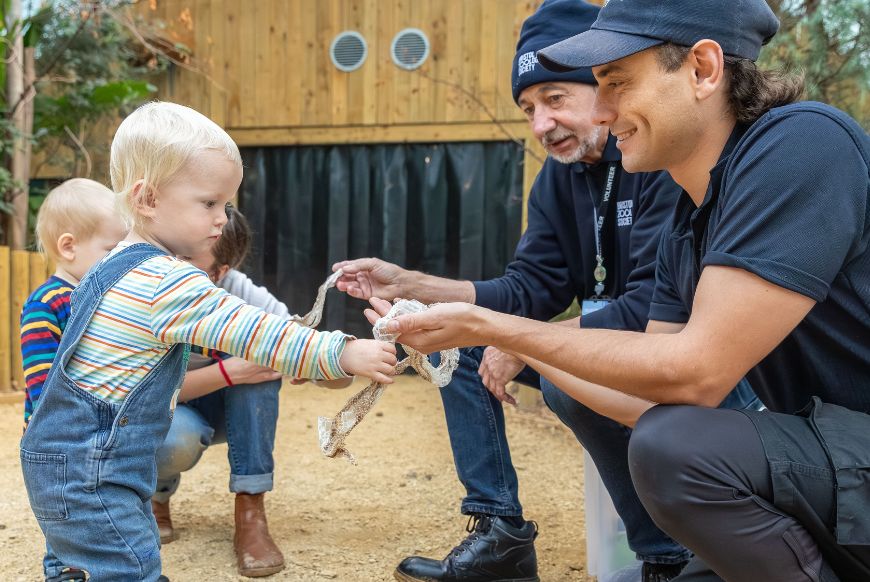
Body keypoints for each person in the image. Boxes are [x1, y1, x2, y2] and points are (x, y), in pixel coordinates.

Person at [370, 0, 870, 580]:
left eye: (617, 84)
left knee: (674, 448)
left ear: (704, 70)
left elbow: (696, 373)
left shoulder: (803, 144)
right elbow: (651, 398)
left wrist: (497, 328)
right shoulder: (692, 214)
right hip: (829, 458)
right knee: (665, 440)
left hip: (851, 460)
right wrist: (496, 333)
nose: (601, 112)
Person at [335, 2, 727, 580]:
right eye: (528, 108)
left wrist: (526, 341)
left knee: (572, 381)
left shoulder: (658, 155)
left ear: (603, 86)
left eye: (555, 100)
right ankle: (501, 532)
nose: (541, 124)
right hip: (602, 336)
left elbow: (650, 309)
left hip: (680, 347)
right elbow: (528, 289)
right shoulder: (557, 178)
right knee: (456, 346)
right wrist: (414, 285)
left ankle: (664, 557)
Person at [19, 101, 398, 582]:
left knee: (81, 568)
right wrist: (344, 351)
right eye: (209, 203)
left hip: (65, 461)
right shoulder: (165, 280)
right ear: (148, 199)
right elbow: (256, 331)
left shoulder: (109, 270)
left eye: (226, 204)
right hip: (95, 470)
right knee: (129, 568)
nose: (223, 219)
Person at [153, 205, 351, 578]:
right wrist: (231, 372)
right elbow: (140, 395)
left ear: (221, 273)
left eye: (188, 260)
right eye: (172, 254)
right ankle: (155, 495)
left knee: (262, 352)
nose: (173, 268)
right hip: (166, 412)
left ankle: (250, 512)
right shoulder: (152, 289)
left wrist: (319, 366)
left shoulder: (240, 292)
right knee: (174, 437)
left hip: (229, 412)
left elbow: (325, 365)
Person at [20, 178, 127, 582]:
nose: (119, 262)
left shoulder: (100, 299)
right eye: (110, 251)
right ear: (69, 247)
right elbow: (42, 386)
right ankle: (62, 572)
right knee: (65, 516)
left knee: (98, 506)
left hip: (95, 434)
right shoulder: (47, 304)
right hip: (56, 441)